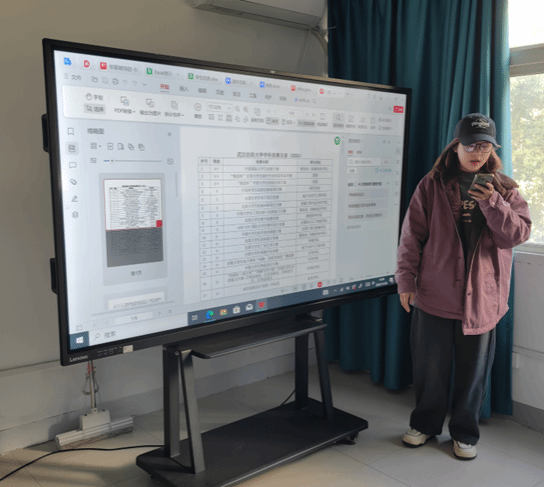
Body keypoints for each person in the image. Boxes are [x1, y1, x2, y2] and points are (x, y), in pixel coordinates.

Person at [395, 113, 531, 460]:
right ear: (456, 146)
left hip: (482, 298)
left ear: (492, 150)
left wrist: (493, 203)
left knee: (473, 374)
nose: (477, 153)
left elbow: (516, 235)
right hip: (434, 293)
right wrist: (406, 279)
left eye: (484, 146)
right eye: (470, 145)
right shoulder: (431, 185)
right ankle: (425, 425)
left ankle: (465, 433)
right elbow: (411, 236)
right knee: (430, 368)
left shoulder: (506, 189)